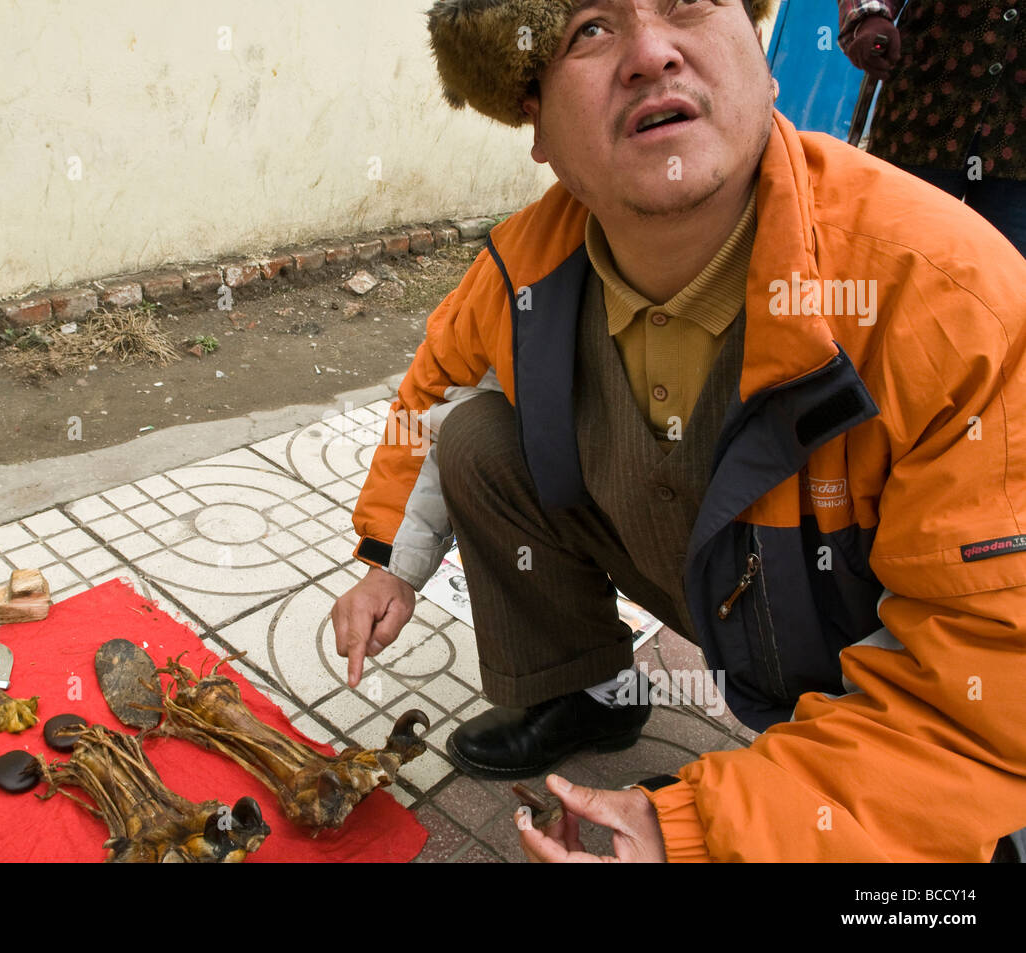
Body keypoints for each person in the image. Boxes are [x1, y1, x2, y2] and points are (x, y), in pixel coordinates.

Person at [330, 0, 1026, 862]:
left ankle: (826, 771)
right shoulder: (526, 266)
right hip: (696, 576)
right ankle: (590, 692)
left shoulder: (955, 301)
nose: (651, 53)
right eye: (589, 30)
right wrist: (386, 564)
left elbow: (982, 700)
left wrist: (709, 825)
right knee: (475, 437)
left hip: (843, 641)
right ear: (535, 121)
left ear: (762, 56)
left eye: (688, 2)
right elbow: (436, 383)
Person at [838, 0, 1026, 255]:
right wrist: (868, 18)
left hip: (1018, 158)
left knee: (1007, 273)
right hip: (921, 119)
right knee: (884, 255)